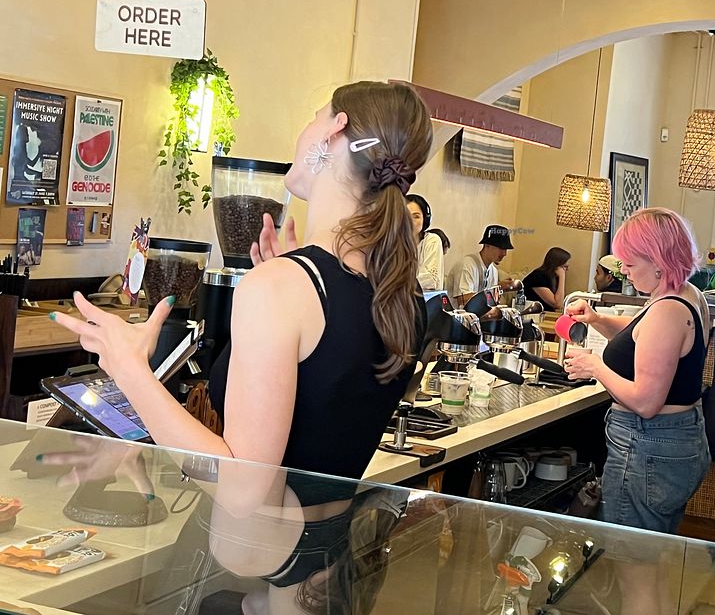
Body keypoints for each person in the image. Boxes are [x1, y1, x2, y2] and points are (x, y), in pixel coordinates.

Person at [51, 81, 433, 606]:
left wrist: (130, 370)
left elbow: (244, 488)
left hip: (265, 551)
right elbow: (329, 403)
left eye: (314, 115)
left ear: (335, 128)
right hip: (325, 554)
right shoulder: (401, 294)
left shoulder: (286, 286)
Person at [563, 208, 711, 615]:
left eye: (630, 264)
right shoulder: (683, 295)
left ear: (658, 260)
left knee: (636, 576)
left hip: (647, 450)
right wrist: (598, 320)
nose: (625, 273)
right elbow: (641, 339)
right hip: (675, 443)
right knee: (653, 566)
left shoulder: (666, 311)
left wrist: (595, 367)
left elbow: (646, 401)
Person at [445, 224, 518, 307]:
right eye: (501, 248)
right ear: (487, 245)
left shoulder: (493, 271)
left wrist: (499, 289)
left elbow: (490, 303)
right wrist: (497, 288)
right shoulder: (467, 265)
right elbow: (463, 300)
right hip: (456, 314)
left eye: (506, 249)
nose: (504, 253)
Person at [406, 193, 444, 292]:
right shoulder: (393, 243)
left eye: (416, 216)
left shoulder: (432, 240)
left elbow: (430, 280)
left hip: (425, 299)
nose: (411, 221)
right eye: (406, 216)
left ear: (425, 219)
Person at [522, 247, 571, 311]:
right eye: (565, 267)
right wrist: (562, 277)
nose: (567, 269)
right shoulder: (538, 276)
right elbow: (557, 304)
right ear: (556, 266)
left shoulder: (552, 277)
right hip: (532, 314)